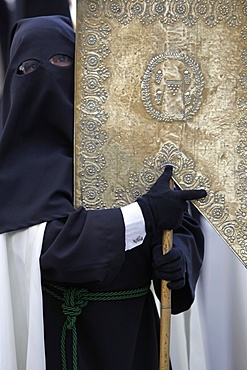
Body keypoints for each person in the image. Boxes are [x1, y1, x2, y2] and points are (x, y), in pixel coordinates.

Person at [0, 16, 206, 370]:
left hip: (138, 335)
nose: (48, 76)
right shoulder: (10, 173)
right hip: (61, 343)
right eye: (30, 67)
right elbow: (56, 248)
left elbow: (177, 220)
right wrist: (144, 216)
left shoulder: (127, 147)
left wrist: (177, 261)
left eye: (62, 61)